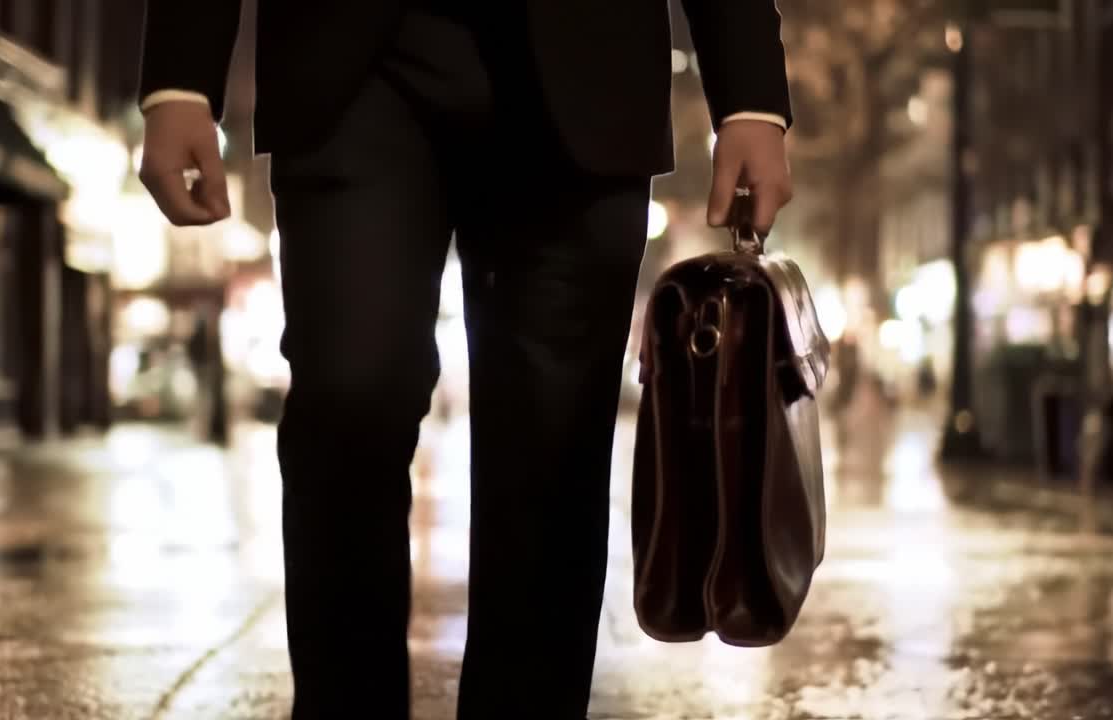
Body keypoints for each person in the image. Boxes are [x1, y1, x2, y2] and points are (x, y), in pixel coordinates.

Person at [137, 1, 794, 717]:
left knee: (555, 444)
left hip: (590, 59)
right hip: (349, 68)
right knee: (349, 396)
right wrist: (180, 78)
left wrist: (750, 93)